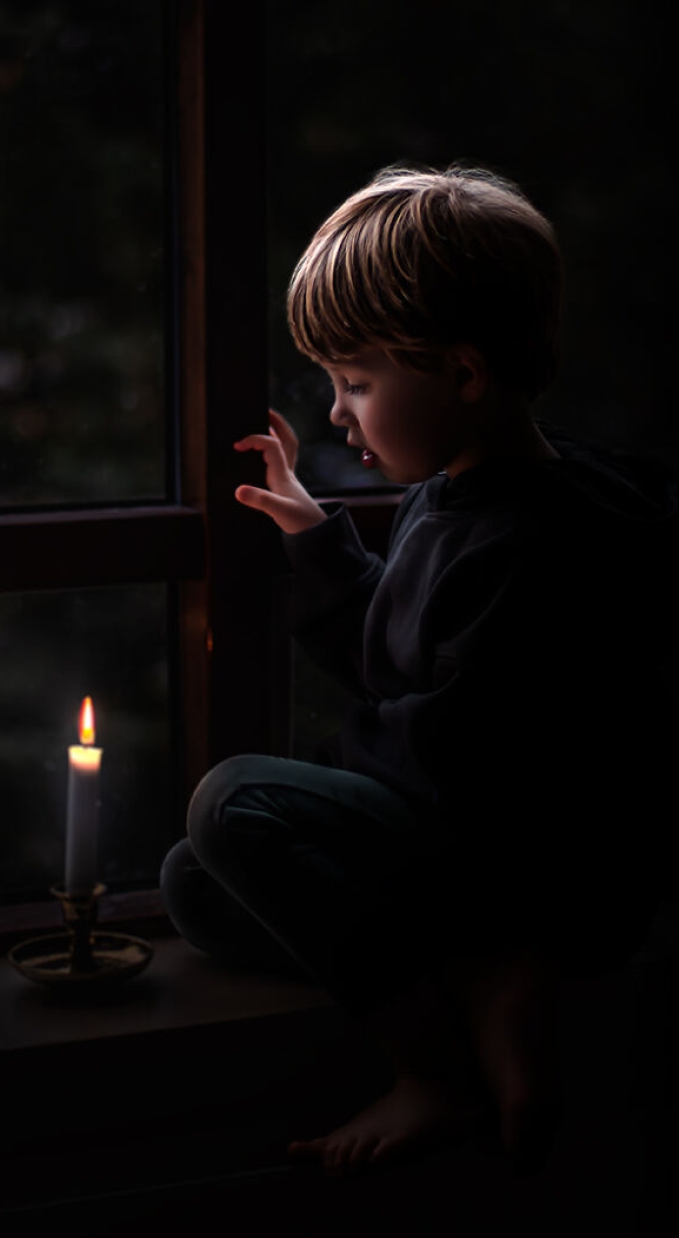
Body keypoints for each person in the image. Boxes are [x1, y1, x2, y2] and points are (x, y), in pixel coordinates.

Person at [160, 164, 675, 1176]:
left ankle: (439, 1059)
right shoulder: (456, 494)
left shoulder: (534, 535)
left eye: (357, 382)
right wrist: (318, 537)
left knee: (231, 802)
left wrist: (333, 810)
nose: (340, 413)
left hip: (519, 864)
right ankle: (476, 975)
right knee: (194, 886)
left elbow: (453, 754)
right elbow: (402, 664)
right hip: (462, 845)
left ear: (465, 372)